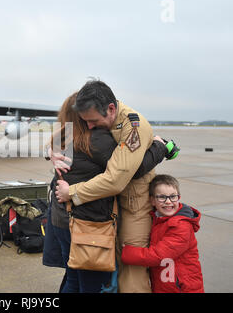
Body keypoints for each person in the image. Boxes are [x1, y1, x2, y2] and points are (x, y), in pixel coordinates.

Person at [42, 92, 168, 293]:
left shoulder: (61, 137)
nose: (92, 123)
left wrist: (48, 152)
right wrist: (160, 147)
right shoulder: (97, 140)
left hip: (60, 218)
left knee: (72, 278)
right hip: (86, 225)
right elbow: (130, 171)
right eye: (89, 118)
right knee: (90, 285)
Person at [121, 174, 204, 293]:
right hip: (166, 284)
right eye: (162, 197)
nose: (168, 202)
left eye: (173, 196)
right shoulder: (158, 219)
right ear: (152, 201)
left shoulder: (181, 226)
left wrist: (126, 252)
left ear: (179, 197)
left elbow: (158, 256)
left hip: (182, 288)